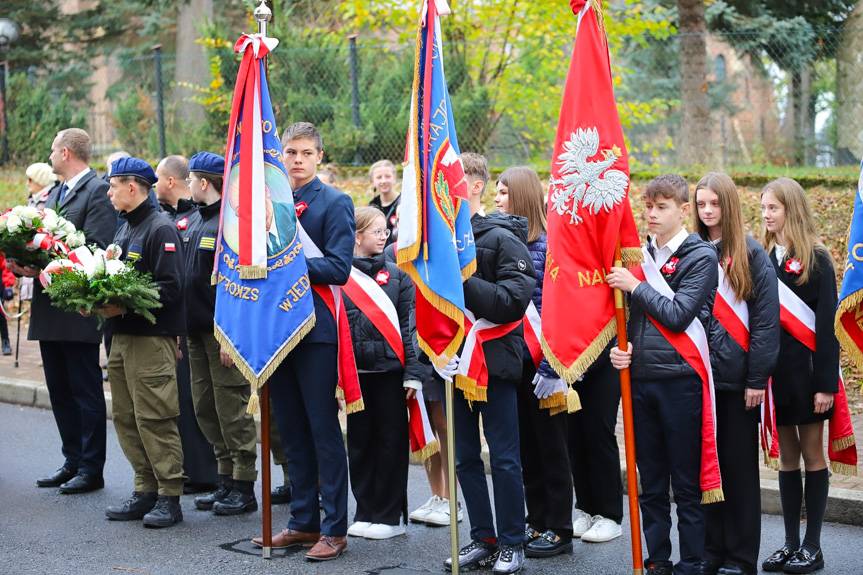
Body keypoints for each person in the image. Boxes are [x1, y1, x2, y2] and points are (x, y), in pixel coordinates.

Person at [250, 122, 354, 561]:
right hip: (276, 330)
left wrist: (287, 262)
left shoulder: (335, 202)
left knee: (322, 430)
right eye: (290, 151)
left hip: (316, 332)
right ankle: (302, 521)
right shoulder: (266, 201)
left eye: (306, 153)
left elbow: (339, 268)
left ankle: (334, 528)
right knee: (290, 430)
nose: (296, 159)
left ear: (318, 157)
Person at [606, 174, 718, 575]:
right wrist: (624, 351)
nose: (651, 214)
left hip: (680, 381)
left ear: (683, 210)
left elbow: (677, 315)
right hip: (640, 380)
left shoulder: (700, 256)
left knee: (685, 485)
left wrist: (636, 286)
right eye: (648, 207)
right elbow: (637, 324)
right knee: (650, 482)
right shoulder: (640, 254)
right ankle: (657, 561)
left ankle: (691, 562)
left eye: (661, 207)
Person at [11, 128, 116, 496]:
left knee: (84, 390)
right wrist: (25, 262)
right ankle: (71, 459)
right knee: (59, 389)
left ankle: (91, 467)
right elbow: (43, 239)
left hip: (77, 309)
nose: (50, 155)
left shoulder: (98, 192)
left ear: (67, 153)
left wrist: (54, 262)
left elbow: (98, 248)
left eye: (53, 149)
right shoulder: (55, 192)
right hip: (49, 305)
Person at [444, 152, 535, 575]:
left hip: (493, 361)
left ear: (474, 185)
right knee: (463, 457)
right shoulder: (438, 239)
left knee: (503, 457)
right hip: (450, 365)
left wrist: (461, 278)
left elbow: (511, 303)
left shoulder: (504, 238)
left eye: (451, 180)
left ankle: (513, 542)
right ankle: (483, 538)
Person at [694, 173, 779, 575]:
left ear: (729, 205)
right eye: (701, 204)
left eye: (715, 204)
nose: (708, 211)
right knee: (706, 468)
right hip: (698, 379)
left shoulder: (750, 253)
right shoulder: (692, 251)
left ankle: (741, 558)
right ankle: (713, 551)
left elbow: (765, 322)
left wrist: (755, 380)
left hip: (736, 381)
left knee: (738, 471)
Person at [493, 166, 575, 557]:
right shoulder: (501, 240)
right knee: (525, 446)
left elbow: (560, 309)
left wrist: (552, 367)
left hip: (546, 361)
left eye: (504, 192)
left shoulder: (553, 243)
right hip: (514, 359)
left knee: (551, 447)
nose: (497, 199)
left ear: (523, 196)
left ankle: (559, 527)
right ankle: (536, 518)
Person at [102, 157, 187, 529]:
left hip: (151, 340)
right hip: (122, 336)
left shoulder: (160, 228)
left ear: (132, 187)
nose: (108, 192)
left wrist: (123, 302)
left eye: (113, 185)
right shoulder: (126, 228)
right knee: (125, 417)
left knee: (155, 417)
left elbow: (170, 289)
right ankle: (145, 487)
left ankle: (170, 495)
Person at [759, 178, 838, 575]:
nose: (767, 215)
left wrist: (826, 383)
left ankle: (813, 546)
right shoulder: (762, 258)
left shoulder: (819, 258)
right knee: (786, 460)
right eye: (764, 208)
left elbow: (827, 328)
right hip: (775, 378)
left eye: (774, 208)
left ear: (792, 208)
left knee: (811, 455)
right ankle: (790, 544)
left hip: (808, 378)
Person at [182, 152, 259, 516]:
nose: (187, 185)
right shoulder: (198, 220)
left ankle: (243, 485)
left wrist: (232, 335)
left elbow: (237, 287)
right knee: (206, 407)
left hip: (221, 334)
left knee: (232, 408)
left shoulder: (230, 225)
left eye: (191, 179)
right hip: (196, 331)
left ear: (203, 182)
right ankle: (225, 478)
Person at [344, 206, 424, 540]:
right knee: (360, 443)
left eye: (384, 231)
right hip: (356, 375)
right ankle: (366, 510)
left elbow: (410, 329)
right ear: (357, 235)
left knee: (391, 443)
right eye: (376, 231)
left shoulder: (399, 277)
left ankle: (391, 516)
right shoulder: (342, 276)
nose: (383, 237)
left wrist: (413, 372)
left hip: (391, 374)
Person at [154, 154, 217, 494]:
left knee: (206, 402)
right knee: (187, 398)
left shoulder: (200, 217)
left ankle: (211, 472)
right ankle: (194, 469)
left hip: (205, 324)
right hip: (185, 324)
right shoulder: (176, 218)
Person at [368, 159, 400, 246]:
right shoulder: (372, 206)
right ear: (372, 182)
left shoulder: (403, 203)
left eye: (387, 176)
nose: (383, 181)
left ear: (394, 178)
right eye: (379, 177)